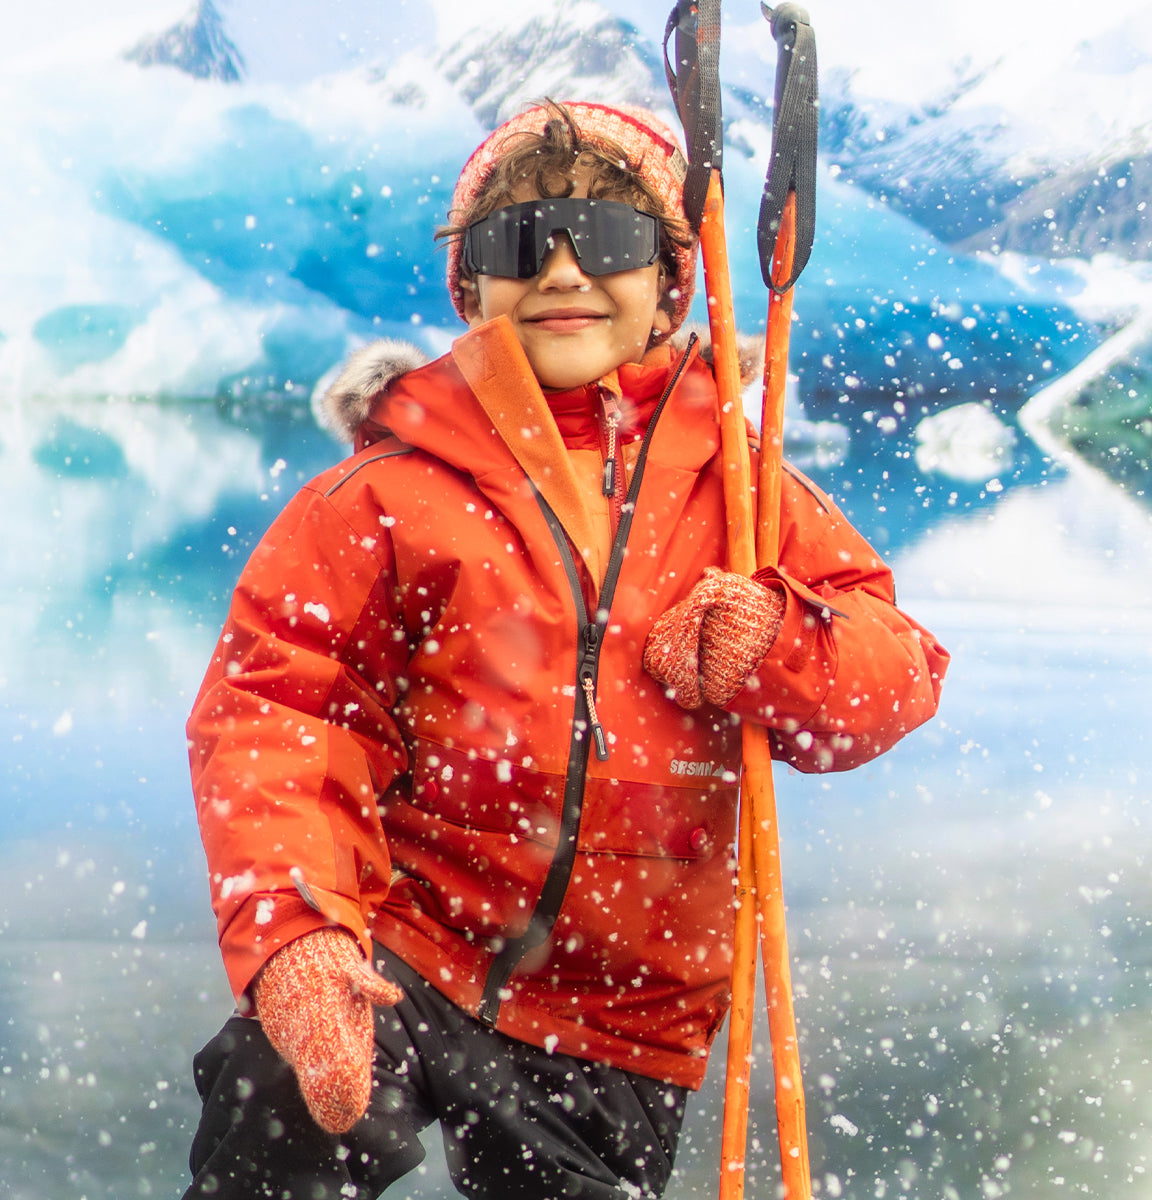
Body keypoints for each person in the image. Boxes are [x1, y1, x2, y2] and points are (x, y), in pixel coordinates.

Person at [181, 99, 949, 1200]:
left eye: (610, 239)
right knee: (282, 1107)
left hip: (623, 1006)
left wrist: (773, 642)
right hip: (411, 943)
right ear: (469, 285)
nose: (563, 270)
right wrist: (301, 937)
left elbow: (894, 675)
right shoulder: (385, 493)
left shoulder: (741, 493)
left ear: (670, 284)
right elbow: (280, 714)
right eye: (517, 242)